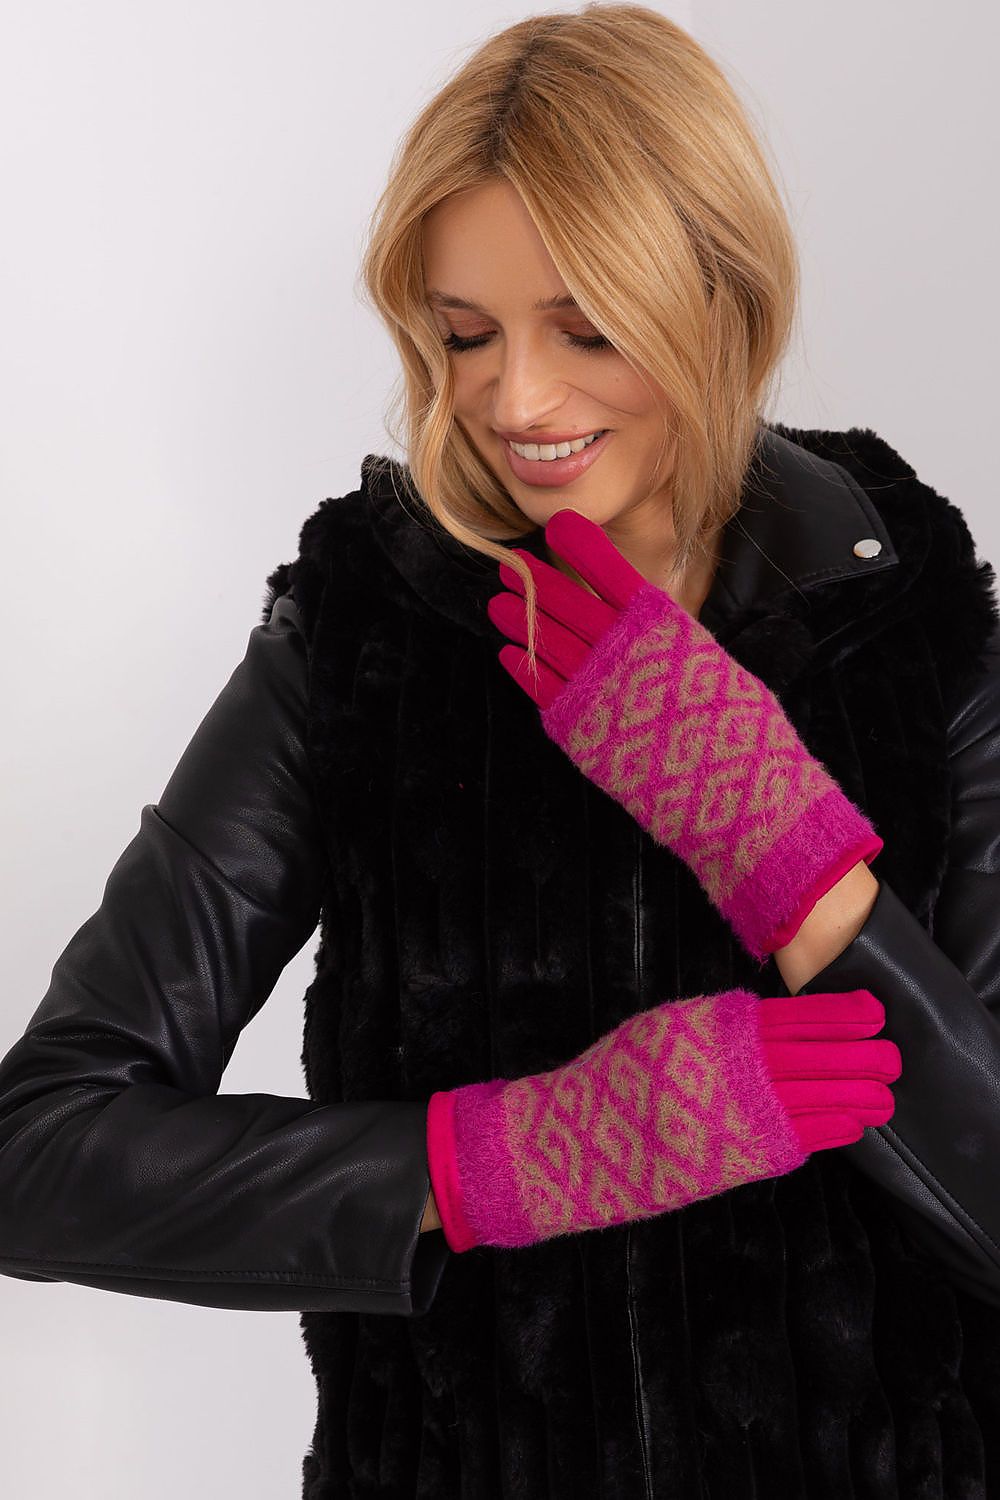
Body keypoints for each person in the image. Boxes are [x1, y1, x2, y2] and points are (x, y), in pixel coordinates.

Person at [2, 5, 1000, 1496]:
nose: (516, 400)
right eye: (465, 334)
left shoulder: (899, 609)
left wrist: (781, 852)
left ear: (719, 298)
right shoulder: (364, 626)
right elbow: (42, 1153)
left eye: (586, 329)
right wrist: (490, 1163)